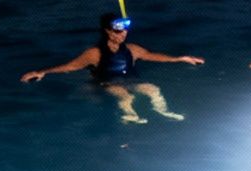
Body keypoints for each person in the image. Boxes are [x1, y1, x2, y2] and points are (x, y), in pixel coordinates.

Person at [21, 11, 203, 123]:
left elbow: (152, 55)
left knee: (153, 89)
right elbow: (71, 66)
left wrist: (180, 58)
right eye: (118, 30)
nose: (123, 33)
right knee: (125, 95)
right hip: (107, 83)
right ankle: (130, 116)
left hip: (130, 80)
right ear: (107, 31)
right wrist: (42, 71)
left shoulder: (132, 49)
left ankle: (163, 112)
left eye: (125, 30)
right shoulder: (95, 53)